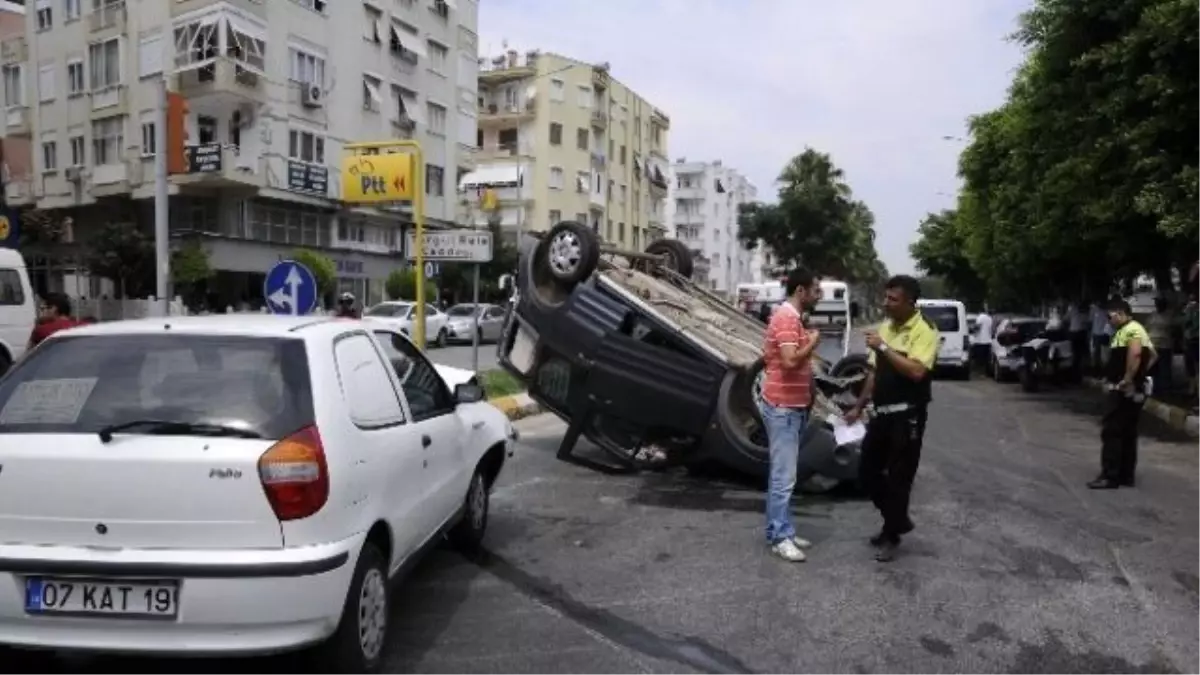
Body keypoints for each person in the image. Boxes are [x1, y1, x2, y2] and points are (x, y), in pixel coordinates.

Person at [845, 275, 939, 563]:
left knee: (899, 479)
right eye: (885, 298)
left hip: (907, 417)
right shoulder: (886, 326)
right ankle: (898, 520)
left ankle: (891, 534)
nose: (886, 304)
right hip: (881, 415)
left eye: (892, 299)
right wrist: (858, 406)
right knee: (867, 474)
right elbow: (874, 373)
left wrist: (884, 348)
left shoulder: (925, 330)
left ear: (910, 302)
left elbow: (916, 372)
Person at [757, 267, 823, 563]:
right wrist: (812, 342)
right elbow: (788, 360)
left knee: (784, 476)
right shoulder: (786, 318)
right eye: (815, 290)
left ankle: (782, 529)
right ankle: (780, 538)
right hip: (782, 407)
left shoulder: (794, 319)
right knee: (784, 477)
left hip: (792, 407)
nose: (818, 295)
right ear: (801, 291)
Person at [1089, 300, 1156, 490]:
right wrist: (1140, 374)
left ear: (1120, 313)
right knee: (1127, 432)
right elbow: (1152, 355)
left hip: (1123, 390)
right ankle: (1125, 475)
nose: (1109, 320)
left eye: (1110, 316)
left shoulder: (1132, 330)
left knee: (1112, 431)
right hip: (1130, 389)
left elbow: (1136, 354)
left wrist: (1128, 378)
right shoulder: (1132, 330)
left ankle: (1110, 476)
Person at [1145, 297, 1175, 392]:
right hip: (1153, 345)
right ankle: (1154, 386)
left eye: (1159, 303)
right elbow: (1147, 327)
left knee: (1164, 366)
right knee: (1154, 367)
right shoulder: (1152, 315)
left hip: (1165, 345)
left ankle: (1165, 387)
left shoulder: (1169, 316)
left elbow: (1173, 329)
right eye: (1156, 303)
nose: (1157, 305)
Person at [1090, 300, 1113, 375]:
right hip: (1099, 335)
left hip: (1102, 335)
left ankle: (1101, 370)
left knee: (1101, 354)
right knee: (1098, 353)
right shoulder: (1095, 310)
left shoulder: (1106, 312)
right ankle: (1098, 370)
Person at [1067, 301, 1089, 373]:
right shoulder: (1084, 312)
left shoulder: (1072, 309)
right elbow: (1087, 322)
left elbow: (1066, 319)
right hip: (1081, 333)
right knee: (1080, 352)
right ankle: (1079, 367)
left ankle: (1075, 367)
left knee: (1075, 352)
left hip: (1075, 333)